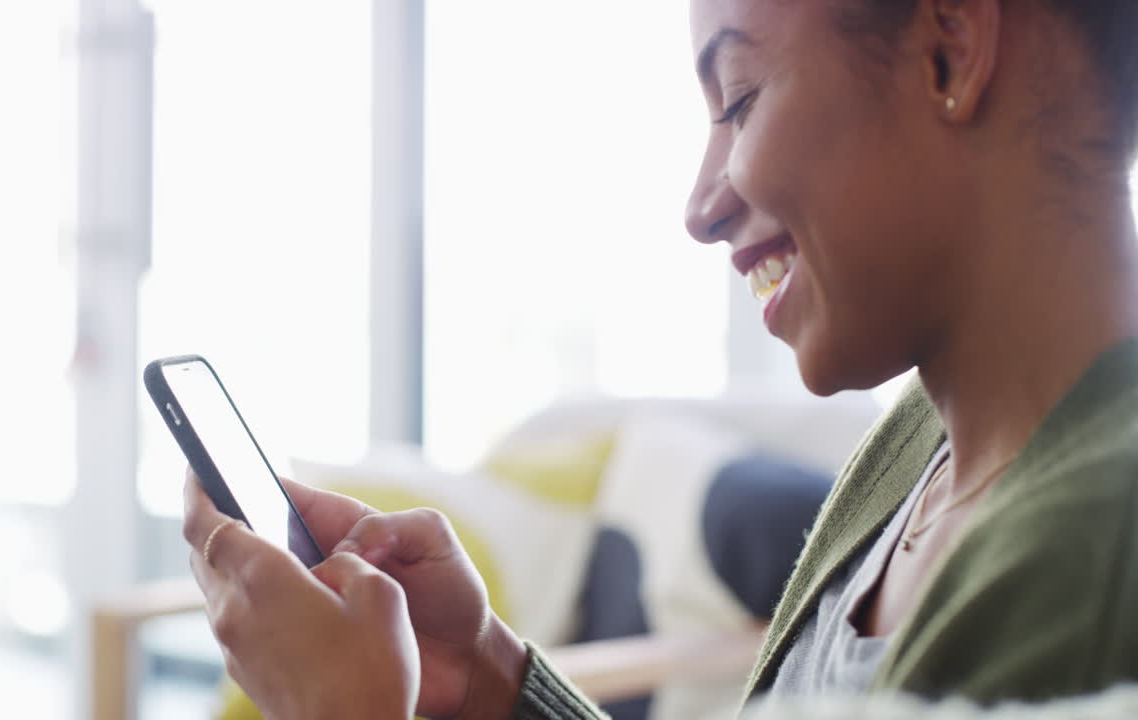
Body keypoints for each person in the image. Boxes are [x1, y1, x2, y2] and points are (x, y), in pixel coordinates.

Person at [180, 0, 1138, 717]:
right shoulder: (925, 442)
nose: (701, 204)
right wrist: (489, 676)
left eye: (741, 100)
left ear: (949, 50)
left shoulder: (1096, 568)